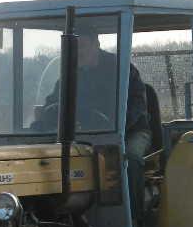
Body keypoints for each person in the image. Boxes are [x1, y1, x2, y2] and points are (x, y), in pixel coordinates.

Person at [40, 25, 152, 159]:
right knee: (46, 155)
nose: (78, 52)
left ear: (96, 45)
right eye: (74, 47)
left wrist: (114, 126)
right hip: (84, 135)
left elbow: (137, 105)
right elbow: (54, 102)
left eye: (83, 46)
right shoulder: (71, 74)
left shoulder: (121, 69)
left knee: (130, 157)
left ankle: (131, 179)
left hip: (130, 132)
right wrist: (42, 122)